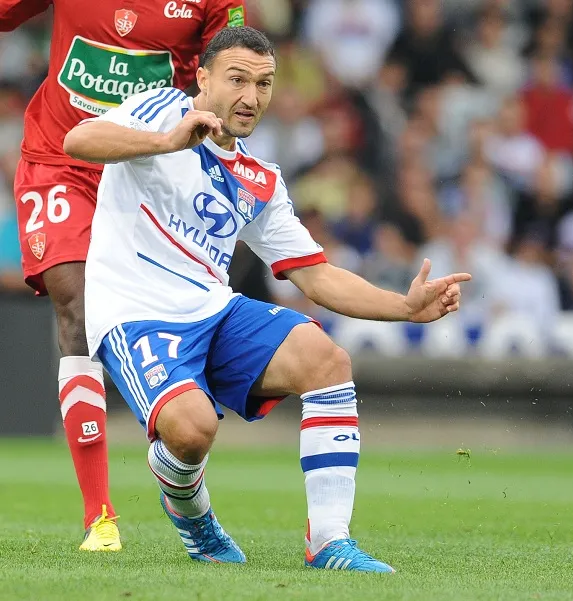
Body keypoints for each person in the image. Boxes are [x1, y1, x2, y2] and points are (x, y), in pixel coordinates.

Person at [63, 26, 471, 570]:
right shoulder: (159, 109)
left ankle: (329, 541)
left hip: (213, 309)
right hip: (135, 315)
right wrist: (166, 142)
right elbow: (79, 142)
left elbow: (316, 275)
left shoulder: (259, 179)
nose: (250, 98)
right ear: (202, 78)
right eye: (237, 80)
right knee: (192, 430)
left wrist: (403, 306)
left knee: (327, 360)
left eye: (263, 84)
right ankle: (194, 519)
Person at [1, 0, 248, 552]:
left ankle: (175, 448)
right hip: (59, 158)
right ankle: (100, 516)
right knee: (77, 309)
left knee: (162, 309)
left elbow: (237, 63)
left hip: (150, 165)